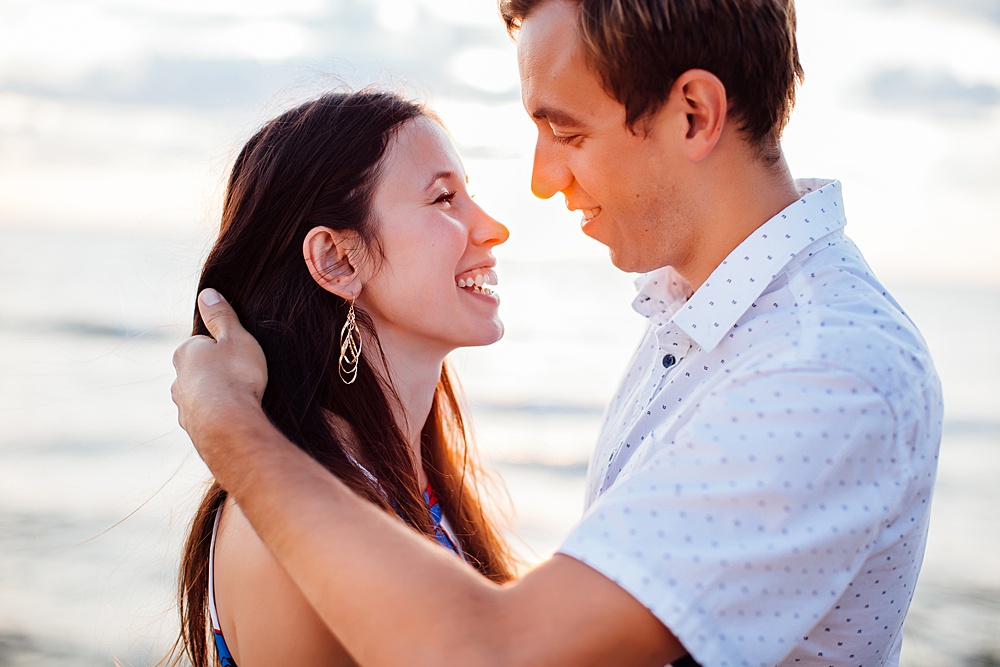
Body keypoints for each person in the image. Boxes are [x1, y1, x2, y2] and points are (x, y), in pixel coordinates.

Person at [170, 0, 944, 665]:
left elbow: (495, 651)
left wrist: (230, 428)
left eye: (566, 132)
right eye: (443, 198)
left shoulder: (821, 367)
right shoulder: (692, 316)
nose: (538, 183)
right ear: (333, 258)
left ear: (693, 115)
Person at [168, 90, 516, 667]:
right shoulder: (280, 530)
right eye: (444, 198)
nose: (492, 228)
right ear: (337, 261)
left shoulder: (412, 483)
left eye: (470, 194)